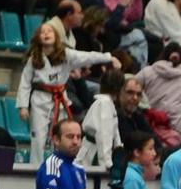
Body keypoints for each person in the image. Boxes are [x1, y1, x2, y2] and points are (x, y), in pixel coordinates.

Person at [17, 18, 114, 165]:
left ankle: (60, 164)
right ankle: (35, 167)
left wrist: (107, 57)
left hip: (60, 100)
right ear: (38, 37)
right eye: (42, 32)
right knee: (38, 137)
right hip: (40, 100)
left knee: (61, 136)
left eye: (49, 31)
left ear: (56, 36)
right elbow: (24, 83)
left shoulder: (66, 55)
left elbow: (87, 56)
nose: (46, 33)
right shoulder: (34, 59)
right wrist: (23, 106)